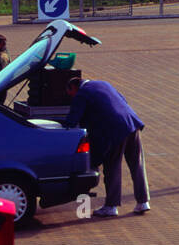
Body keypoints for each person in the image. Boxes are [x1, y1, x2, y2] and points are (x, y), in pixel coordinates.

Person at [64, 74, 149, 217]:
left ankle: (111, 206)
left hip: (114, 131)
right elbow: (122, 100)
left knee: (112, 168)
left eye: (70, 95)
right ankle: (143, 202)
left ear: (73, 87)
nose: (71, 98)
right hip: (131, 123)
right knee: (137, 165)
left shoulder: (82, 93)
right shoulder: (103, 84)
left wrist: (59, 127)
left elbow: (72, 121)